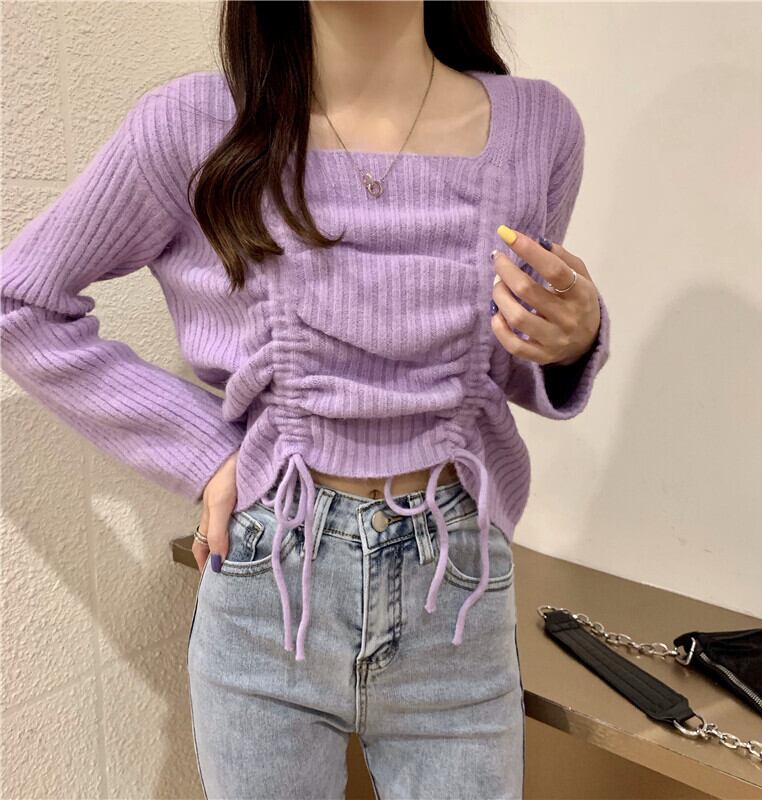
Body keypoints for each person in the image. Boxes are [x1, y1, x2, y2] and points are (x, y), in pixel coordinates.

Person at [0, 1, 609, 797]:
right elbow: (22, 303)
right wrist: (205, 451)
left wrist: (571, 341)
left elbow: (495, 352)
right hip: (268, 579)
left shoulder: (540, 130)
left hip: (456, 596)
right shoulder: (191, 125)